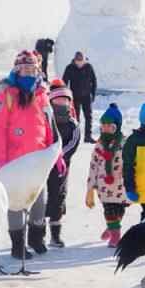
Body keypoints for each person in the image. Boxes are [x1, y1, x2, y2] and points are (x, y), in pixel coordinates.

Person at [0, 50, 60, 259]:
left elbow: (49, 126)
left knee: (39, 201)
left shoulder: (42, 93)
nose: (28, 71)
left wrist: (54, 155)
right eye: (24, 68)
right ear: (17, 69)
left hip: (39, 160)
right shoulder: (7, 94)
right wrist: (0, 160)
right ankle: (18, 244)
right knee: (16, 202)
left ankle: (36, 238)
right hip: (15, 160)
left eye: (32, 67)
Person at [85, 104, 129, 248]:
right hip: (104, 185)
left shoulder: (125, 143)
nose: (105, 128)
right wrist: (91, 186)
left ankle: (111, 228)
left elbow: (132, 161)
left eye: (109, 125)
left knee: (119, 210)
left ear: (116, 126)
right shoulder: (99, 145)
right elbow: (93, 165)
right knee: (109, 209)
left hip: (121, 184)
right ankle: (115, 235)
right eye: (103, 125)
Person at [44, 79, 81, 248]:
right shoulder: (46, 119)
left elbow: (73, 144)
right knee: (42, 198)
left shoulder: (72, 124)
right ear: (51, 101)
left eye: (65, 100)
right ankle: (38, 233)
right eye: (58, 100)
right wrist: (46, 155)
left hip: (61, 167)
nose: (61, 103)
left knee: (58, 197)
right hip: (43, 165)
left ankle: (55, 235)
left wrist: (59, 156)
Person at [62, 51, 98, 143]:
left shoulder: (88, 67)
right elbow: (64, 82)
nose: (79, 63)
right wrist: (65, 95)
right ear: (75, 60)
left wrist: (93, 94)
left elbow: (94, 81)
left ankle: (88, 136)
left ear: (84, 60)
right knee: (75, 117)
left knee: (88, 117)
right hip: (75, 96)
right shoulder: (70, 68)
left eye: (81, 61)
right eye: (78, 61)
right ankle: (75, 137)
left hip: (86, 96)